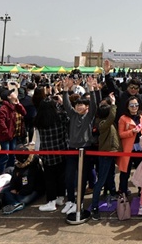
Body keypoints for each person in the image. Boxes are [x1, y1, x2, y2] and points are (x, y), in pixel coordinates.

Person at [60, 75, 97, 215]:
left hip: (85, 149)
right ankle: (70, 200)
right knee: (69, 176)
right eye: (77, 105)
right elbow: (66, 105)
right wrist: (65, 89)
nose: (79, 106)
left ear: (86, 107)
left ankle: (80, 201)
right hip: (72, 149)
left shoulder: (89, 116)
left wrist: (91, 89)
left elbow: (94, 106)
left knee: (83, 176)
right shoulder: (72, 115)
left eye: (82, 105)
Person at [35, 95, 69, 212]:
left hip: (47, 152)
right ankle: (60, 197)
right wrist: (60, 102)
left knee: (50, 178)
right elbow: (67, 114)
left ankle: (51, 201)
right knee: (61, 176)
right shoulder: (60, 116)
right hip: (61, 149)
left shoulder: (39, 119)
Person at [90, 92, 120, 221]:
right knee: (101, 180)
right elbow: (112, 116)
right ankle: (95, 206)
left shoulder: (103, 123)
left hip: (110, 153)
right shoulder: (102, 124)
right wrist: (113, 104)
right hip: (105, 154)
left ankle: (110, 193)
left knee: (109, 176)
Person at [117, 95, 142, 197]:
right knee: (125, 171)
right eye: (132, 105)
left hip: (140, 146)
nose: (134, 107)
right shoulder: (123, 118)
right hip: (128, 148)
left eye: (136, 105)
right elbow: (121, 134)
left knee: (141, 170)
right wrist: (132, 131)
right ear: (127, 106)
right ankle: (123, 191)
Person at [1, 144, 45, 215]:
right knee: (4, 192)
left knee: (22, 200)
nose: (14, 157)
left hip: (34, 189)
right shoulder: (19, 164)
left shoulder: (28, 171)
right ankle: (14, 202)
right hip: (21, 185)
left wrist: (18, 192)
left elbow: (27, 188)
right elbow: (14, 177)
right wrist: (13, 188)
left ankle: (15, 204)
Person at [0, 87, 27, 175]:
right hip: (4, 136)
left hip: (13, 135)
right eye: (12, 93)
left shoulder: (15, 105)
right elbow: (1, 123)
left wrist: (18, 103)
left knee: (12, 155)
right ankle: (0, 173)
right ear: (9, 97)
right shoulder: (3, 108)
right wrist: (7, 133)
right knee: (5, 155)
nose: (14, 94)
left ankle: (10, 172)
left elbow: (24, 113)